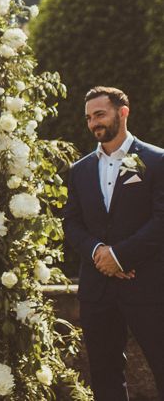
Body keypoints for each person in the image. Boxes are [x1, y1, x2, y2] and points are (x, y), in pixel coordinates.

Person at [62, 86, 164, 400]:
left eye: (100, 114)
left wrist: (119, 257)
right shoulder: (79, 171)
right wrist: (98, 253)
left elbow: (161, 220)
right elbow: (71, 223)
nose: (94, 123)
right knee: (105, 380)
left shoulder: (157, 161)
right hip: (98, 291)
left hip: (148, 287)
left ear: (123, 112)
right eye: (89, 118)